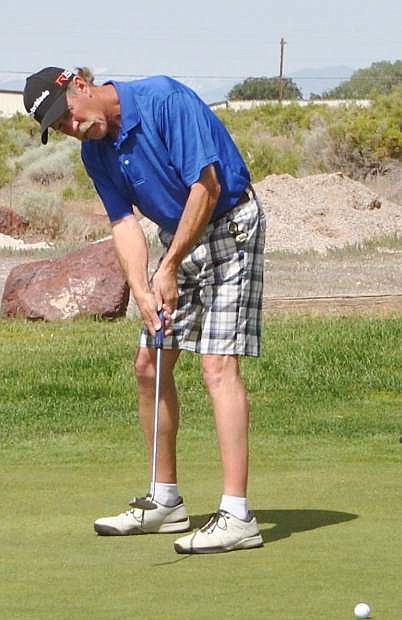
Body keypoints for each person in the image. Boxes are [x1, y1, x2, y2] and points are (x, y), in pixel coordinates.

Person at [23, 66, 266, 554]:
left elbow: (208, 187)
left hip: (229, 228)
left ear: (80, 86)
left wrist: (169, 267)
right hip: (178, 239)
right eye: (60, 127)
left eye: (67, 114)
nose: (72, 128)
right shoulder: (96, 151)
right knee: (149, 365)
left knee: (217, 366)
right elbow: (124, 223)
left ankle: (238, 516)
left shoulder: (165, 99)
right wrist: (140, 285)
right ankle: (166, 500)